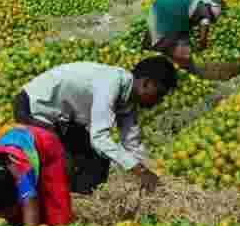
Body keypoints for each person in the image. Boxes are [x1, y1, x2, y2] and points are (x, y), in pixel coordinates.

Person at [14, 57, 178, 194]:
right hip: (35, 109)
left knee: (97, 164)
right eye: (159, 94)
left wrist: (149, 171)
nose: (159, 101)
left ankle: (80, 201)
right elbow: (99, 138)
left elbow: (131, 142)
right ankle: (57, 205)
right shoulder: (111, 83)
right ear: (146, 83)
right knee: (63, 163)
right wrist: (140, 171)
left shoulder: (129, 101)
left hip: (63, 119)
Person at [0, 124, 72, 226]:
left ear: (18, 195)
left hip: (46, 143)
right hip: (10, 137)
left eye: (7, 211)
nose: (3, 217)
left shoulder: (22, 175)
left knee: (56, 207)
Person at [143, 0, 223, 73]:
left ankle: (147, 51)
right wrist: (202, 45)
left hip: (159, 3)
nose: (210, 19)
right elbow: (203, 31)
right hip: (172, 12)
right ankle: (190, 70)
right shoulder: (204, 11)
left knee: (155, 34)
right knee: (180, 45)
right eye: (212, 18)